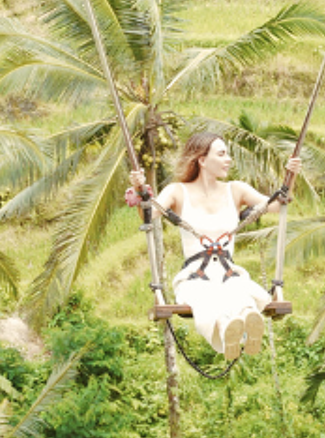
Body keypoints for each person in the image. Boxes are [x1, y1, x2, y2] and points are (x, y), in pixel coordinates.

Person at [128, 132, 300, 362]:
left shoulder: (235, 190)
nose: (228, 159)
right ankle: (227, 330)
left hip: (229, 275)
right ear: (202, 159)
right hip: (195, 277)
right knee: (203, 298)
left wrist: (291, 177)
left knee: (241, 293)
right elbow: (149, 214)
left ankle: (248, 323)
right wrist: (140, 191)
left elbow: (278, 205)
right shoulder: (178, 191)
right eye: (221, 154)